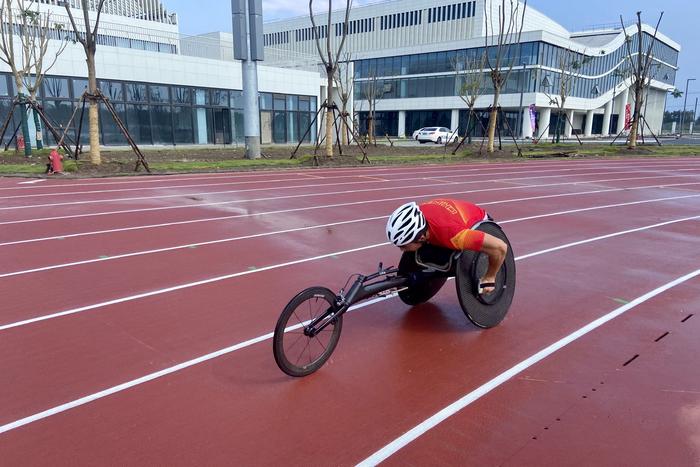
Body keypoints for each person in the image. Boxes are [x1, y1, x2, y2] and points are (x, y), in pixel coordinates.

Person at [386, 199, 508, 295]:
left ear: (421, 238)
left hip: (477, 222)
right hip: (450, 220)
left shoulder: (455, 236)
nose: (402, 250)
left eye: (404, 246)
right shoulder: (420, 214)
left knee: (446, 260)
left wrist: (490, 277)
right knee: (429, 254)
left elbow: (500, 247)